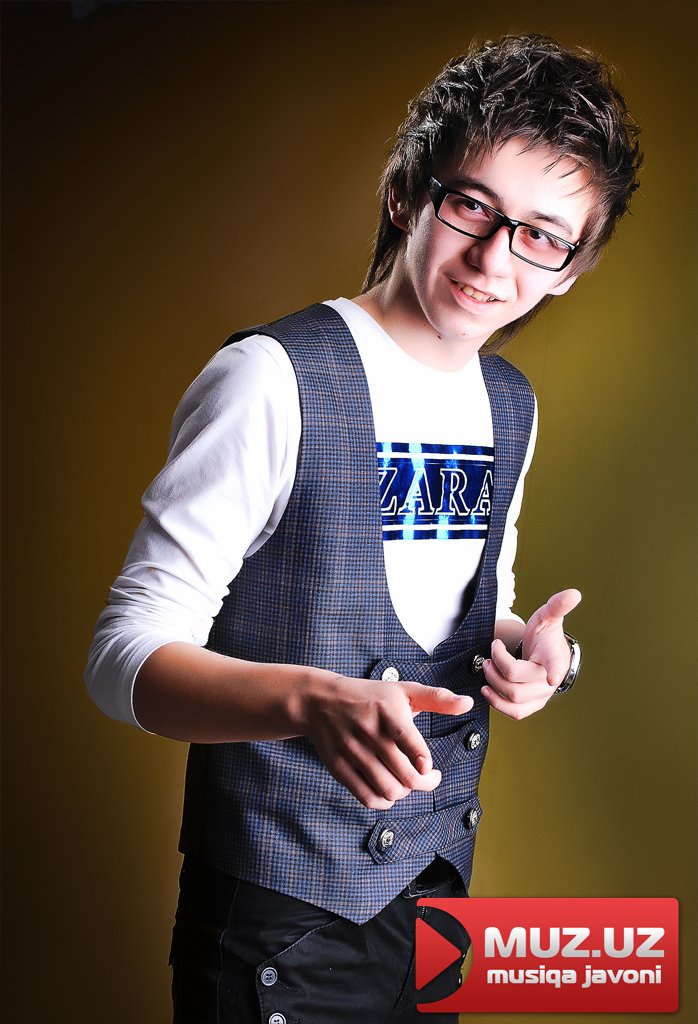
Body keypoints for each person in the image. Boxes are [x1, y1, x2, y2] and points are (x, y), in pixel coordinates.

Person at [85, 33, 642, 1024]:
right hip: (279, 920)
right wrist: (308, 701)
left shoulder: (509, 405)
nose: (494, 258)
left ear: (570, 267)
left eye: (540, 235)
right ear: (406, 194)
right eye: (471, 206)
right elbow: (122, 659)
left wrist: (535, 653)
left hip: (437, 900)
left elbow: (463, 609)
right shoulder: (271, 378)